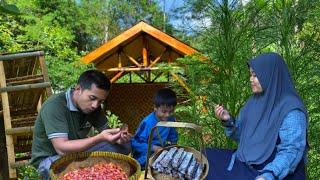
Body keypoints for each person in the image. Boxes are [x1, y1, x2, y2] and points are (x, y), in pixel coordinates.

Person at [207, 52, 308, 180]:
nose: (251, 79)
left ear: (270, 75)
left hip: (273, 171)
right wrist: (228, 121)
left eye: (255, 75)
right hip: (250, 162)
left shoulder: (291, 109)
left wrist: (268, 175)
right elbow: (244, 139)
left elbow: (291, 151)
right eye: (251, 74)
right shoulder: (254, 103)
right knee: (204, 158)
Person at [30, 70, 131, 179]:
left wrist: (119, 138)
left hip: (77, 154)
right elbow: (61, 148)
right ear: (78, 89)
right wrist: (99, 138)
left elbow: (107, 134)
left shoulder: (94, 108)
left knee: (125, 145)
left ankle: (94, 172)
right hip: (51, 159)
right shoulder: (54, 106)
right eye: (92, 98)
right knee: (65, 172)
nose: (95, 105)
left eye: (100, 101)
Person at [131, 88, 178, 169]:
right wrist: (153, 148)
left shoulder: (171, 118)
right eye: (164, 111)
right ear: (155, 107)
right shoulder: (147, 123)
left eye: (171, 111)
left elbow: (172, 135)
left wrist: (173, 146)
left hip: (161, 150)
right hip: (144, 154)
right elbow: (135, 142)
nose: (167, 115)